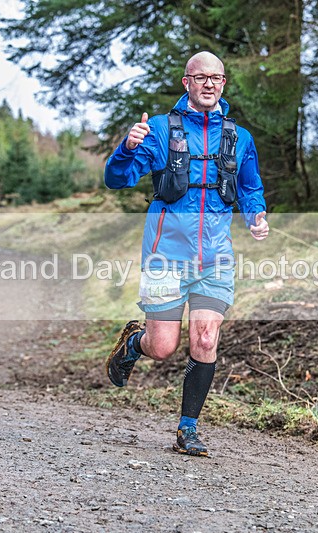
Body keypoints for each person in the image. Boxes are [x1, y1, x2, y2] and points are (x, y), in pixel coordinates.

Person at [103, 51, 269, 457]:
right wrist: (127, 147)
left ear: (224, 83)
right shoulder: (159, 130)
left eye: (216, 78)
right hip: (166, 254)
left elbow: (249, 188)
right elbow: (116, 179)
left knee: (206, 337)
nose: (209, 84)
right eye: (201, 78)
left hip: (215, 257)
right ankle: (133, 343)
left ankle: (187, 428)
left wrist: (256, 216)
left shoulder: (239, 137)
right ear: (186, 83)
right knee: (163, 347)